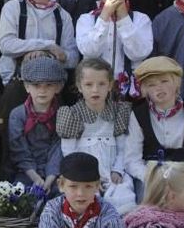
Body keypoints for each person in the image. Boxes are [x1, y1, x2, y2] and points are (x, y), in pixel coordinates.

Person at [123, 56, 184, 221]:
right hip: (151, 176)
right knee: (146, 203)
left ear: (177, 83)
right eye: (151, 85)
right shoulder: (138, 116)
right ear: (144, 89)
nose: (159, 88)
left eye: (164, 81)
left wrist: (183, 178)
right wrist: (153, 177)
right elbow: (132, 160)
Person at [56, 58, 136, 214]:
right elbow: (69, 153)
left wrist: (117, 170)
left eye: (101, 84)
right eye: (89, 85)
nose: (95, 90)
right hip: (84, 176)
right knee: (87, 203)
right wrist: (86, 177)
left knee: (123, 199)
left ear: (110, 85)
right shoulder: (73, 114)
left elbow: (123, 148)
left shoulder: (118, 112)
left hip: (112, 173)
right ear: (79, 86)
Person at [0, 0, 79, 86]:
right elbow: (6, 45)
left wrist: (49, 55)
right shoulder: (13, 8)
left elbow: (73, 58)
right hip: (18, 82)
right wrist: (46, 45)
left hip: (52, 86)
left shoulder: (63, 16)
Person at [75, 0, 152, 100]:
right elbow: (89, 51)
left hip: (129, 93)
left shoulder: (141, 19)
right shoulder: (86, 19)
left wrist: (123, 17)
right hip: (96, 91)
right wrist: (105, 15)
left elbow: (139, 53)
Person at [7, 57, 66, 190]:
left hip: (55, 173)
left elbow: (59, 149)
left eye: (48, 85)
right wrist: (35, 178)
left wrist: (50, 178)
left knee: (62, 197)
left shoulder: (63, 114)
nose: (42, 90)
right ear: (27, 86)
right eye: (36, 85)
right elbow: (19, 150)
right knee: (19, 196)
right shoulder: (17, 115)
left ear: (58, 87)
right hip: (26, 173)